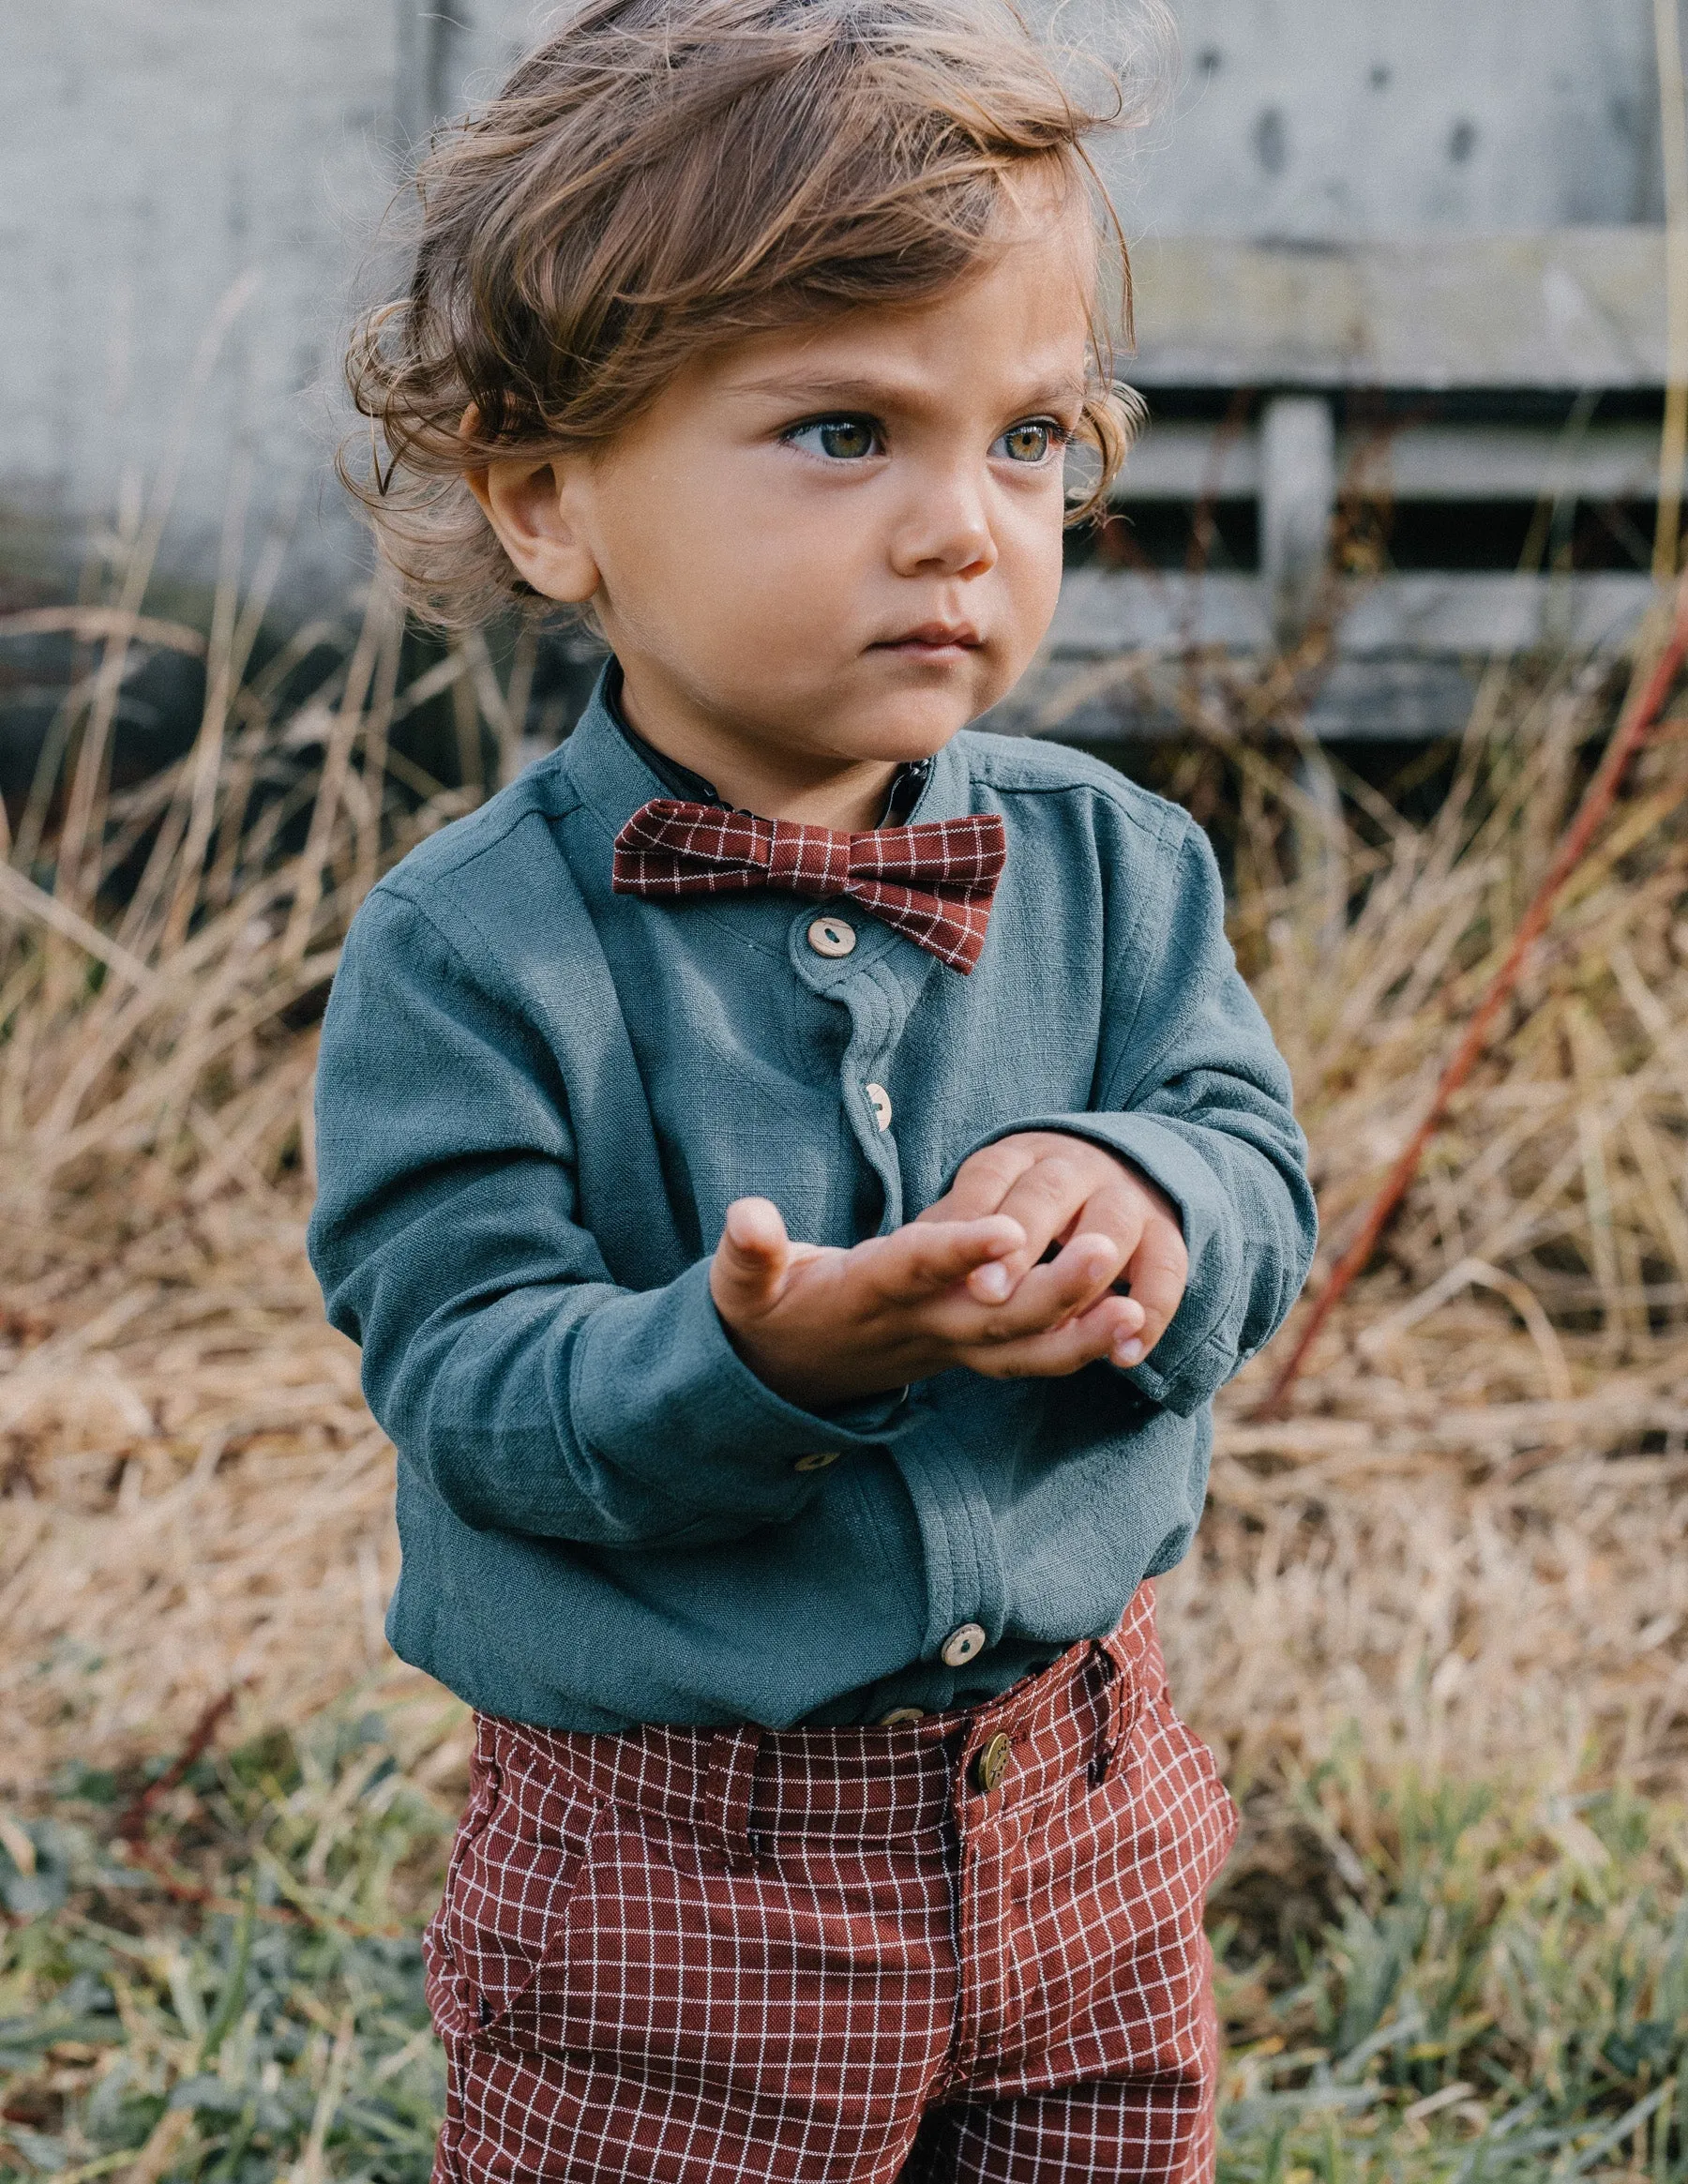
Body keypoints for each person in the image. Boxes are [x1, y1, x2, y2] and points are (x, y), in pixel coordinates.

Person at [309, 0, 1316, 2173]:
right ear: (550, 496)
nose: (967, 527)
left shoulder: (1118, 870)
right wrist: (751, 1357)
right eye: (847, 432)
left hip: (1086, 1817)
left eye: (1030, 438)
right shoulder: (469, 949)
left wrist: (1148, 1192)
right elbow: (468, 1375)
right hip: (683, 1877)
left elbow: (1257, 1180)